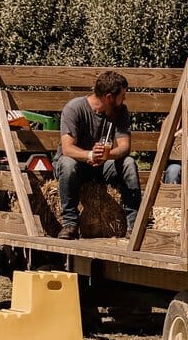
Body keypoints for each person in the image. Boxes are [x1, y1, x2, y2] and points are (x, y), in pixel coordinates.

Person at [57, 69, 140, 239]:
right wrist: (90, 155)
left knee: (129, 163)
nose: (124, 99)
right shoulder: (74, 108)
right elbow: (67, 149)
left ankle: (135, 225)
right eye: (122, 95)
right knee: (67, 163)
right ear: (109, 97)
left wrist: (106, 156)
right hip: (78, 164)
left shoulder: (121, 111)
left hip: (103, 166)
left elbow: (125, 147)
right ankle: (70, 223)